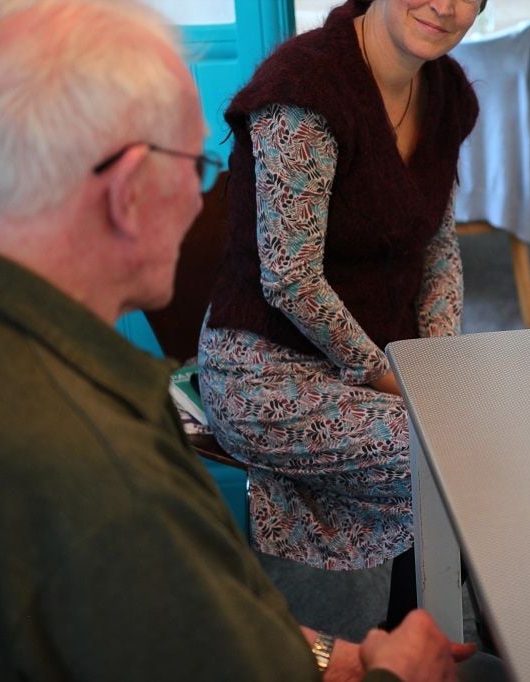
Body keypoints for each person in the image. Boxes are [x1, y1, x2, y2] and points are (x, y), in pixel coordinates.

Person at [0, 1, 491, 679]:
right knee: (452, 460)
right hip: (278, 369)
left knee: (452, 441)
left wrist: (337, 655)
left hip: (369, 378)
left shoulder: (46, 375)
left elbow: (208, 638)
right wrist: (388, 672)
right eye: (197, 168)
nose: (206, 204)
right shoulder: (105, 467)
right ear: (128, 191)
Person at [198, 0, 483, 629]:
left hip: (386, 359)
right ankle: (410, 639)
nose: (447, 6)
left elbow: (438, 244)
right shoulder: (303, 92)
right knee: (443, 455)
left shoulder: (447, 93)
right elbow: (291, 281)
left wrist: (433, 365)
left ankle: (422, 638)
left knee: (483, 432)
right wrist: (402, 380)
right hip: (268, 367)